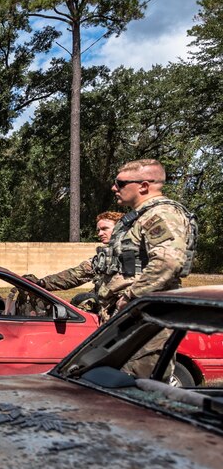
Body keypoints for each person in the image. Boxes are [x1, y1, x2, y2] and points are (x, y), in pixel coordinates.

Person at [97, 160, 196, 378]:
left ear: (143, 186)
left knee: (141, 387)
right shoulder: (139, 217)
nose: (114, 188)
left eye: (120, 183)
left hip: (147, 319)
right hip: (133, 318)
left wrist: (131, 296)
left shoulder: (160, 214)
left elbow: (168, 263)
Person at [30, 211, 123, 294]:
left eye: (104, 228)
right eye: (98, 230)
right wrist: (42, 283)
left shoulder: (133, 252)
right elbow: (75, 275)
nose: (100, 234)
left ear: (119, 228)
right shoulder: (104, 257)